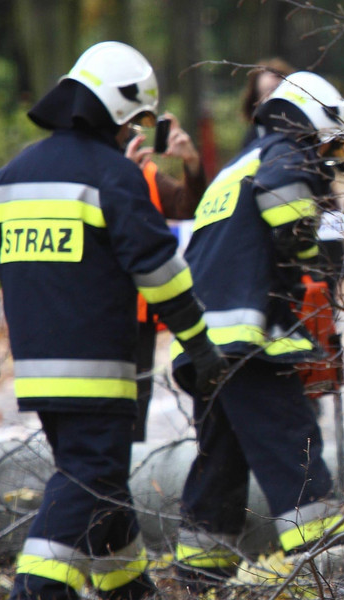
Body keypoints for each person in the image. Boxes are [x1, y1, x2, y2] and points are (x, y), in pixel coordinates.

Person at [0, 41, 227, 600]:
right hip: (98, 373)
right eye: (138, 120)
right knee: (90, 478)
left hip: (38, 375)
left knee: (104, 486)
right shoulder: (112, 177)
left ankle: (129, 589)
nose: (137, 132)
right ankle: (36, 588)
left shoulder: (8, 178)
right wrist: (201, 345)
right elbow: (161, 274)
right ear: (119, 113)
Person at [169, 71, 344, 589]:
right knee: (291, 444)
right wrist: (315, 260)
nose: (334, 156)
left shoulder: (239, 164)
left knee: (219, 466)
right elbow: (287, 207)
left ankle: (198, 577)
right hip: (247, 342)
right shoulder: (288, 153)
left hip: (207, 345)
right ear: (318, 118)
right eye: (334, 141)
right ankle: (331, 570)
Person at [124, 112, 207, 442]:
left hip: (138, 318)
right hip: (93, 311)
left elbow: (189, 205)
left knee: (134, 419)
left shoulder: (146, 174)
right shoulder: (77, 170)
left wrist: (192, 162)